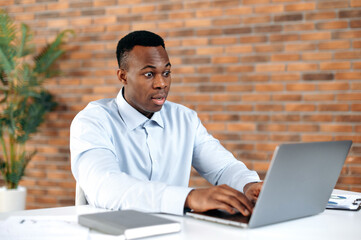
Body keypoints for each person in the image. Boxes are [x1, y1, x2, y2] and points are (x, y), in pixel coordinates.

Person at [70, 30, 262, 216]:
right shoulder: (92, 121)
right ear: (123, 76)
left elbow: (223, 167)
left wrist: (248, 185)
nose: (162, 83)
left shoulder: (185, 119)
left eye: (167, 72)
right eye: (149, 74)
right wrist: (188, 198)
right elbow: (105, 186)